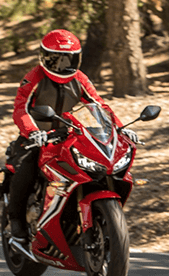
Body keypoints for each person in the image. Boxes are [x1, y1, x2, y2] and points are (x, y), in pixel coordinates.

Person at [8, 29, 139, 242]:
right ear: (44, 57)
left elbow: (99, 105)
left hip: (67, 134)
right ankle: (17, 220)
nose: (63, 65)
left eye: (69, 59)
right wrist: (33, 133)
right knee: (26, 166)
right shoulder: (34, 77)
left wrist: (120, 130)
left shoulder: (79, 78)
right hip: (36, 137)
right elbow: (20, 109)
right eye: (56, 59)